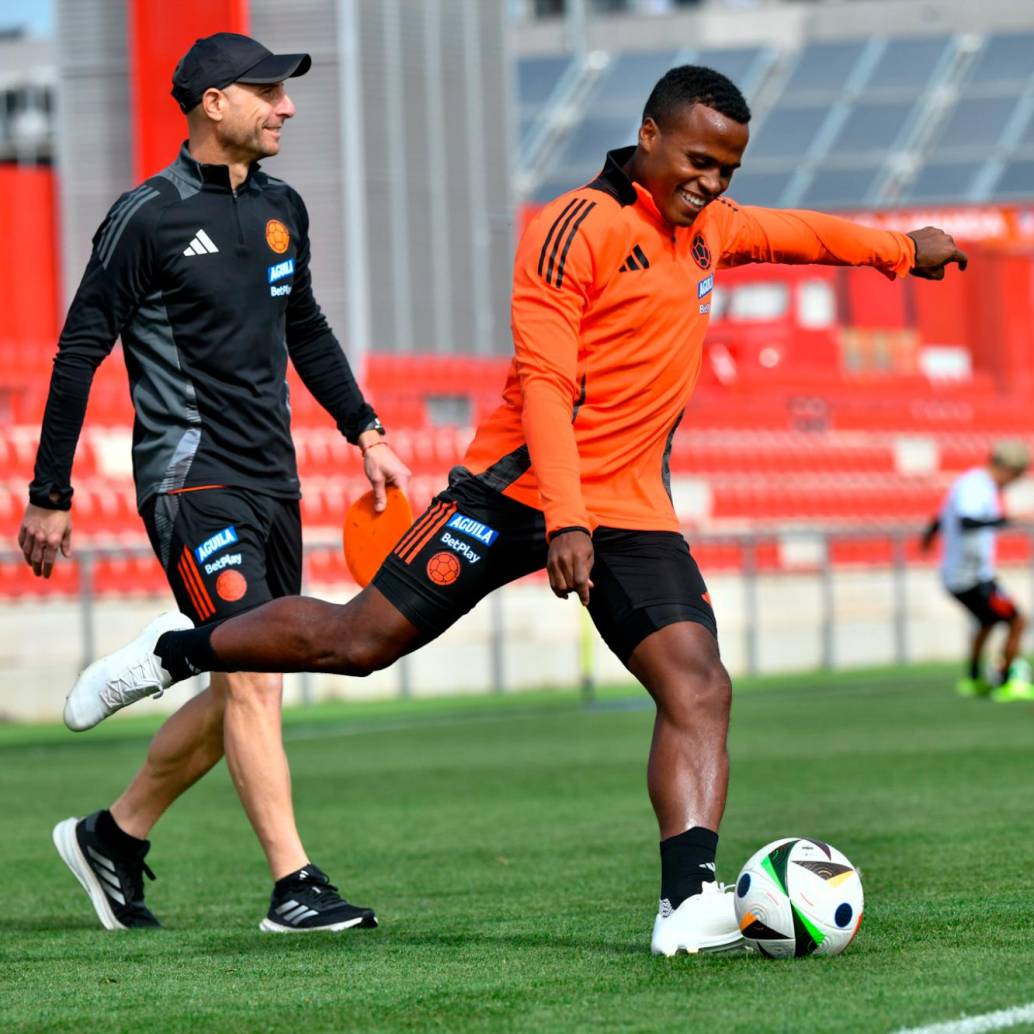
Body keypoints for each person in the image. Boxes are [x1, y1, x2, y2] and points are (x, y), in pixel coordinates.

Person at [63, 65, 966, 954]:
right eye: (697, 161)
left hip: (630, 506)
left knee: (699, 684)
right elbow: (544, 384)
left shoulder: (711, 228)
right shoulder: (571, 226)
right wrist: (565, 518)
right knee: (359, 641)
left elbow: (799, 235)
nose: (711, 183)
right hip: (514, 491)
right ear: (648, 137)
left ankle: (687, 903)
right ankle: (172, 651)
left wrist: (902, 251)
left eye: (728, 170)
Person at [19, 32, 410, 933]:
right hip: (189, 478)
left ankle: (114, 837)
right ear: (211, 103)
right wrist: (50, 493)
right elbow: (80, 351)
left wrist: (367, 432)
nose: (287, 106)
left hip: (275, 480)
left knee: (251, 670)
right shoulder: (144, 215)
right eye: (268, 90)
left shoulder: (284, 207)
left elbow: (304, 328)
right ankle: (294, 886)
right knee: (251, 671)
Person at [920, 440, 1031, 701]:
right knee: (1017, 620)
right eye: (1015, 476)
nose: (1012, 483)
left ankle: (972, 679)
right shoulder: (976, 485)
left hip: (965, 574)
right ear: (1007, 468)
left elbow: (941, 517)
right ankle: (1007, 682)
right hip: (970, 576)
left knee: (988, 620)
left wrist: (929, 537)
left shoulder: (971, 483)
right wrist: (1002, 520)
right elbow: (966, 520)